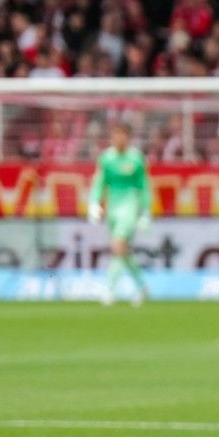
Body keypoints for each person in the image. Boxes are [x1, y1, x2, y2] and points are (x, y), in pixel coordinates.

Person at [87, 122, 152, 305]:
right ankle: (142, 286)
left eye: (122, 135)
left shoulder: (136, 159)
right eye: (116, 135)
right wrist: (94, 204)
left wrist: (145, 211)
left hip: (129, 207)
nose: (119, 139)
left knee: (118, 245)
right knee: (122, 251)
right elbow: (100, 182)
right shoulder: (106, 158)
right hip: (113, 208)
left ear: (128, 137)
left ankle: (110, 290)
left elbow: (143, 186)